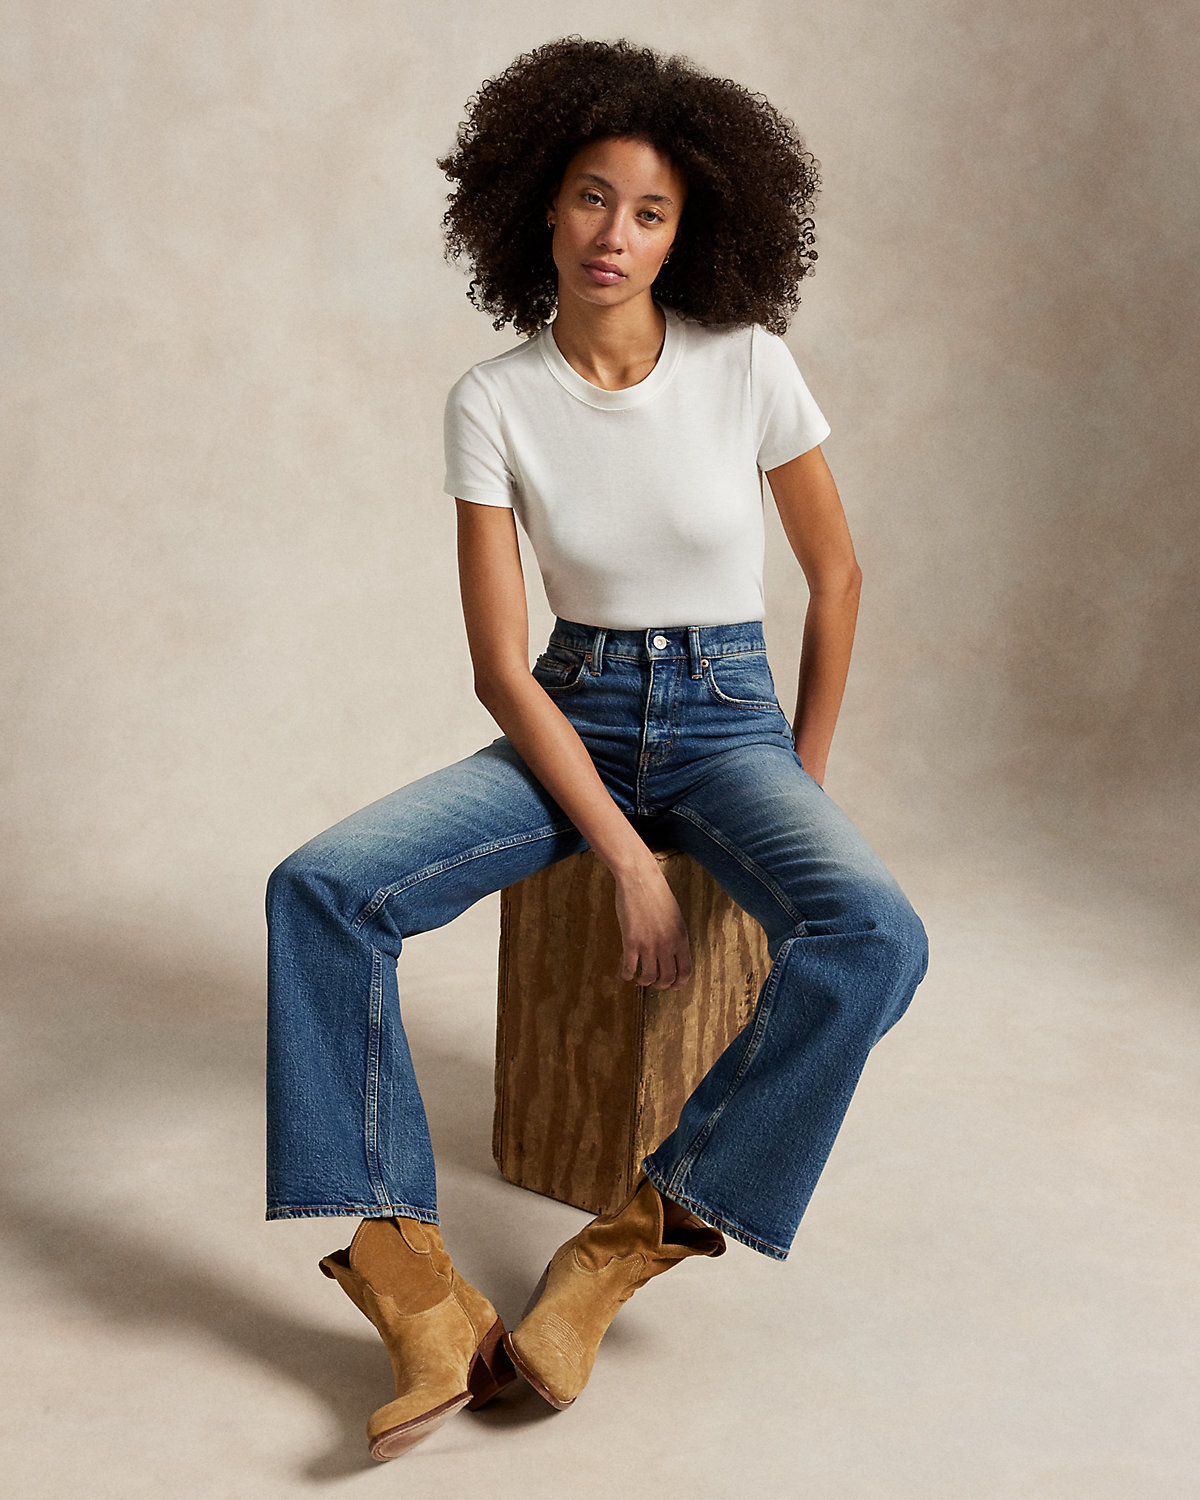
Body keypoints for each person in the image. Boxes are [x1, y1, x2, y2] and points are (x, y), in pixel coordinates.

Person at [265, 35, 929, 1461]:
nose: (613, 234)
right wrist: (626, 858)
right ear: (538, 206)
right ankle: (408, 1282)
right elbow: (502, 668)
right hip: (567, 716)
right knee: (319, 889)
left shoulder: (747, 366)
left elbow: (839, 578)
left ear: (691, 233)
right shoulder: (493, 399)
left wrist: (798, 778)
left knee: (876, 937)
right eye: (590, 197)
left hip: (731, 722)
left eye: (650, 211)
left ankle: (632, 1240)